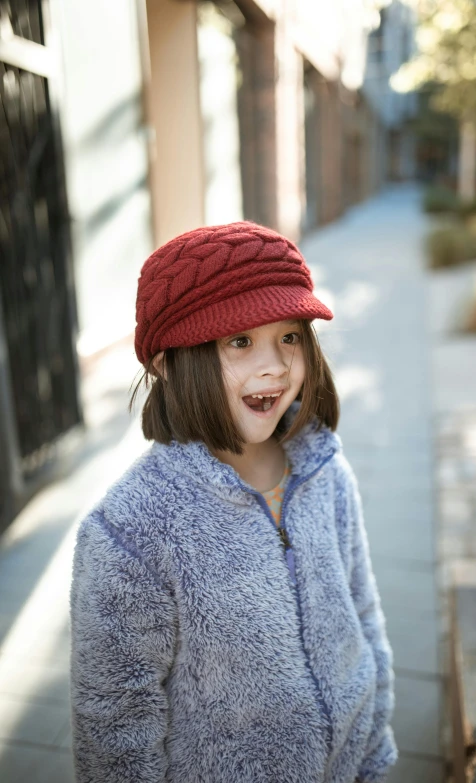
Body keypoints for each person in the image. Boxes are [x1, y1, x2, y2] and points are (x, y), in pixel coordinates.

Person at [69, 221, 398, 783]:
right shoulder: (132, 531)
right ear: (165, 362)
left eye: (289, 336)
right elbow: (115, 729)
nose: (275, 365)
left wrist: (374, 746)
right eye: (239, 341)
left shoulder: (325, 471)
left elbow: (363, 614)